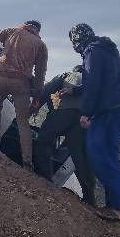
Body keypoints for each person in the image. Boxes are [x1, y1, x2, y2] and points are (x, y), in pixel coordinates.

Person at [68, 23, 120, 221]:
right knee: (110, 157)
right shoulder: (111, 53)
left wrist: (86, 112)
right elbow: (108, 82)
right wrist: (77, 90)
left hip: (107, 112)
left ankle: (119, 208)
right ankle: (115, 205)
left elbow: (93, 83)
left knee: (98, 155)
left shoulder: (92, 52)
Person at [0, 20, 48, 170]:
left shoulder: (12, 31)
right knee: (23, 122)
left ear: (25, 25)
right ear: (37, 30)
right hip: (21, 84)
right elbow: (40, 75)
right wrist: (37, 97)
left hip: (0, 78)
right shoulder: (41, 46)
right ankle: (27, 162)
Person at [35, 65, 97, 205]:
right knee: (78, 155)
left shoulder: (67, 75)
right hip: (83, 121)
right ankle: (89, 197)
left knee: (44, 139)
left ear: (75, 70)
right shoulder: (92, 82)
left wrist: (49, 109)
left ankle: (44, 176)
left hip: (66, 113)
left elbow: (46, 90)